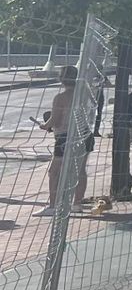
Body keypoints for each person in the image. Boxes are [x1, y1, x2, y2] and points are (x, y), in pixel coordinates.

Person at [33, 65, 91, 217]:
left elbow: (55, 119)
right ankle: (77, 203)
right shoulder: (85, 94)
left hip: (65, 137)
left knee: (55, 172)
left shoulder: (60, 98)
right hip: (85, 134)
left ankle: (53, 205)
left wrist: (45, 126)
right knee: (80, 170)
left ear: (61, 79)